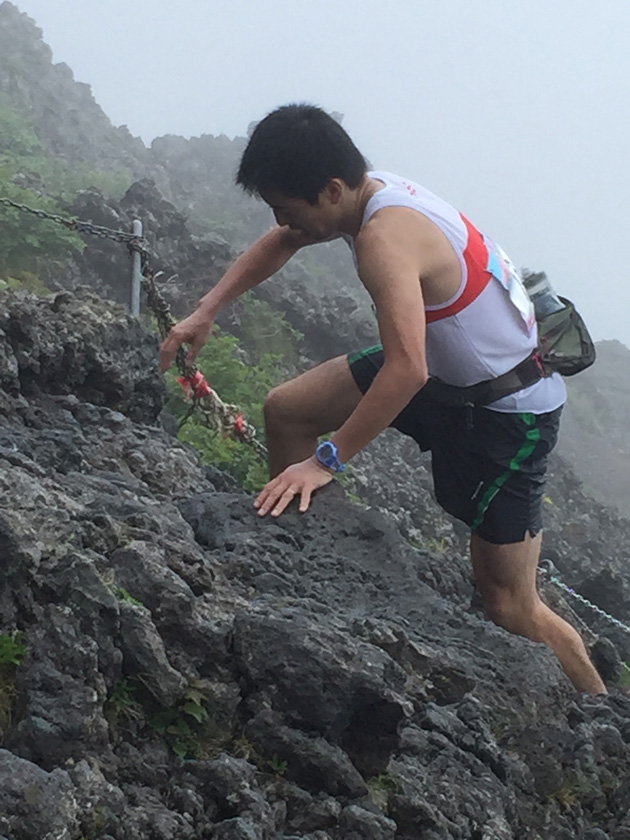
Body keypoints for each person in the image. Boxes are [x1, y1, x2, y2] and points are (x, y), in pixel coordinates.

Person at [160, 103, 606, 695]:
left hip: (509, 409)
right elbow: (286, 239)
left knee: (510, 603)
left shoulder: (383, 238)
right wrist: (206, 310)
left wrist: (326, 461)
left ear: (332, 188)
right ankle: (307, 568)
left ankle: (603, 710)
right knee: (288, 409)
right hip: (447, 372)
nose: (283, 221)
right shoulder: (373, 189)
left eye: (288, 208)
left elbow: (407, 371)